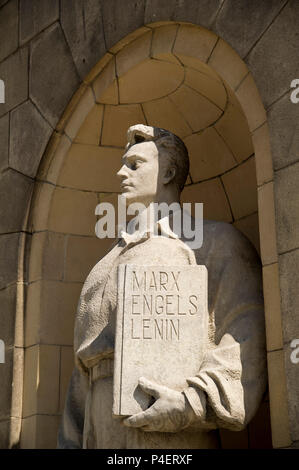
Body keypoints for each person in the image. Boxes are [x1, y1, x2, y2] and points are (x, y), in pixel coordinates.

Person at [57, 125, 267, 449]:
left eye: (135, 164)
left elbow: (242, 339)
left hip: (175, 436)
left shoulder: (215, 244)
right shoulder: (102, 267)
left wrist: (189, 404)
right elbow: (81, 376)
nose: (120, 172)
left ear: (168, 171)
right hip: (99, 431)